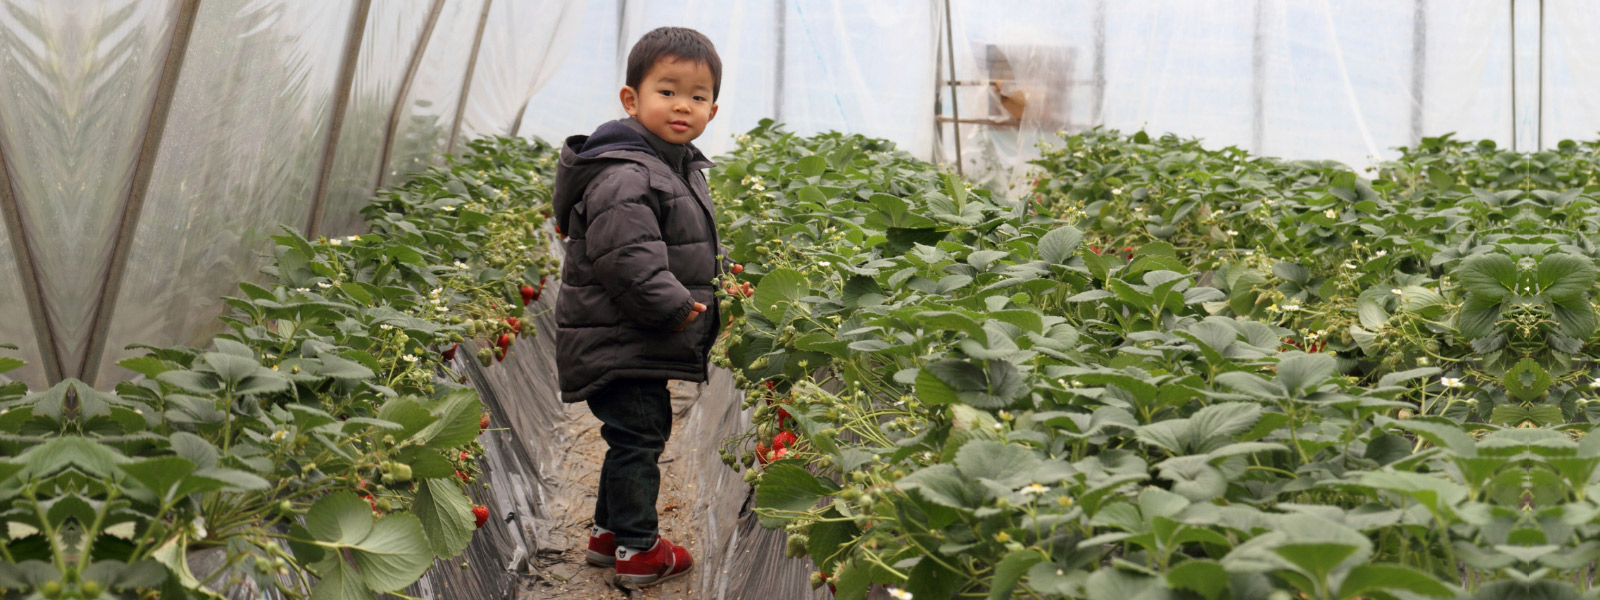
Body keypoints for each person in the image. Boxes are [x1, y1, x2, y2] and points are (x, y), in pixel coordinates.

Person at [550, 26, 734, 588]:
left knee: (630, 436)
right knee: (639, 439)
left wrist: (718, 276)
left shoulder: (670, 165)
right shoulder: (628, 172)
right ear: (631, 99)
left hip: (628, 338)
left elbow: (673, 244)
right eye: (668, 91)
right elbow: (626, 258)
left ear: (714, 109)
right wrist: (675, 307)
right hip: (624, 337)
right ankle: (639, 548)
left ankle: (608, 536)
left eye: (697, 96)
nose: (684, 105)